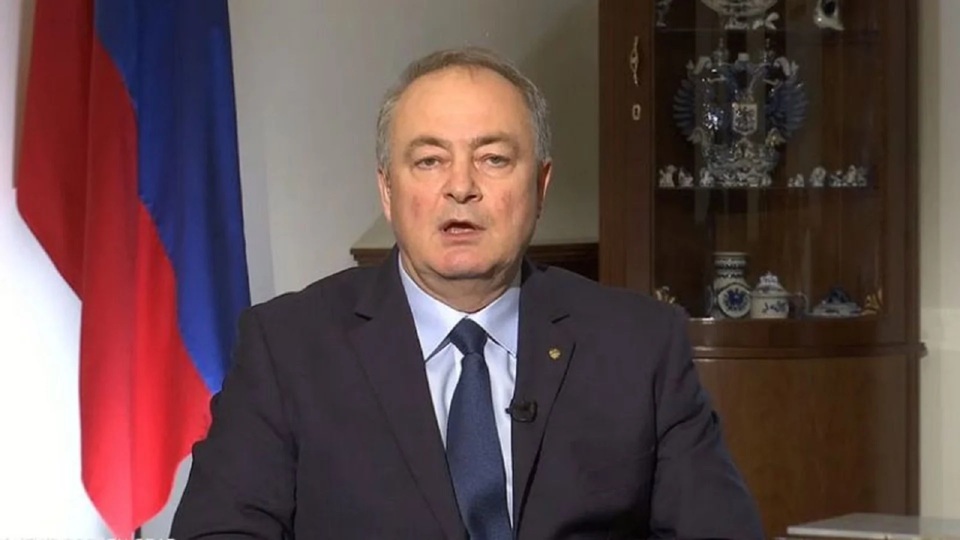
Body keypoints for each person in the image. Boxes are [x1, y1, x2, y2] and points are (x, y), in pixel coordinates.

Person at [170, 46, 763, 539]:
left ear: (540, 186)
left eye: (493, 159)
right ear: (387, 191)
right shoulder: (288, 348)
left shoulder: (638, 345)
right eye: (429, 161)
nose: (461, 187)